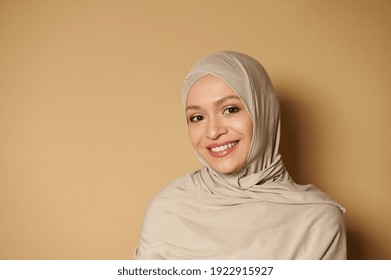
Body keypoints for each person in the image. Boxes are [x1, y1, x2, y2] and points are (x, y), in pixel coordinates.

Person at [135, 51, 347, 259]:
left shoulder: (317, 222)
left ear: (264, 111)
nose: (212, 131)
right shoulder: (168, 209)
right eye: (197, 117)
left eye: (230, 109)